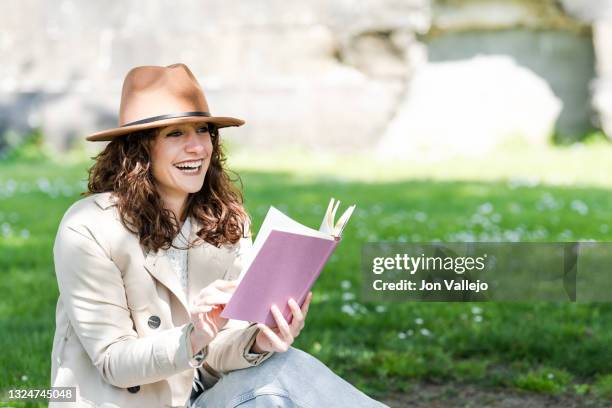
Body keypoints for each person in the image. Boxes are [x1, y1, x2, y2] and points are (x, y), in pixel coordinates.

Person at [50, 63, 389, 408]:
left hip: (193, 401)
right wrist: (194, 336)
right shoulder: (89, 227)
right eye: (175, 134)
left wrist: (257, 343)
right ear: (138, 149)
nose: (198, 147)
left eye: (203, 131)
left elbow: (214, 358)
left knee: (285, 366)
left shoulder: (225, 222)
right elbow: (113, 362)